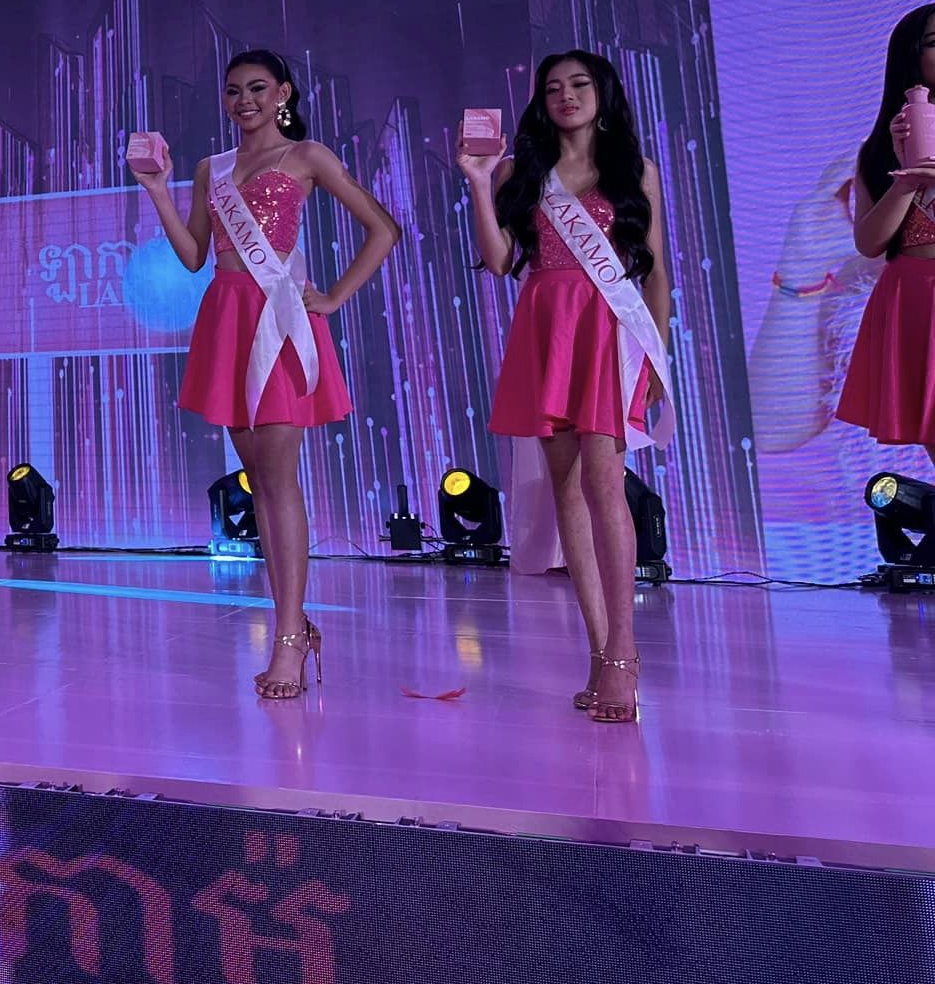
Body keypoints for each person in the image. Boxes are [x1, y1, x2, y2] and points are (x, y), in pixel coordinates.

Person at [135, 52, 398, 699]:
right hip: (227, 316)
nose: (244, 100)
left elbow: (383, 229)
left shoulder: (308, 156)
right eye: (233, 91)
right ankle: (294, 625)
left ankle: (287, 639)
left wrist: (333, 298)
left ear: (283, 93)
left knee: (279, 481)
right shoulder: (212, 169)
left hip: (278, 319)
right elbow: (195, 256)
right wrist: (158, 191)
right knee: (260, 483)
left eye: (257, 88)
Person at [460, 51, 672, 724]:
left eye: (579, 84)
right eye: (553, 87)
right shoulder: (519, 172)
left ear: (603, 93)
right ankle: (599, 649)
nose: (566, 96)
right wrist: (477, 180)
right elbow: (499, 261)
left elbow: (656, 275)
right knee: (568, 493)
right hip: (546, 332)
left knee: (605, 485)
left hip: (610, 333)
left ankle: (624, 652)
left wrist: (656, 360)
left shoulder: (636, 171)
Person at [839, 5, 935, 460]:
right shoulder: (878, 148)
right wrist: (906, 179)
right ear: (910, 58)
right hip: (913, 300)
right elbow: (869, 243)